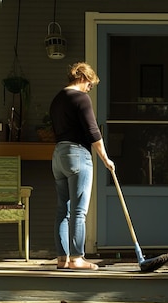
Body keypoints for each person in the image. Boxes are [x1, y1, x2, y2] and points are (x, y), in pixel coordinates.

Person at [49, 62, 115, 270]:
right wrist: (106, 159)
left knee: (63, 210)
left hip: (59, 155)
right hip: (78, 155)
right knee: (78, 212)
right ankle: (76, 259)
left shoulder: (57, 99)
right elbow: (93, 132)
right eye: (90, 85)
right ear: (83, 78)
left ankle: (62, 259)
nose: (89, 89)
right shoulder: (81, 98)